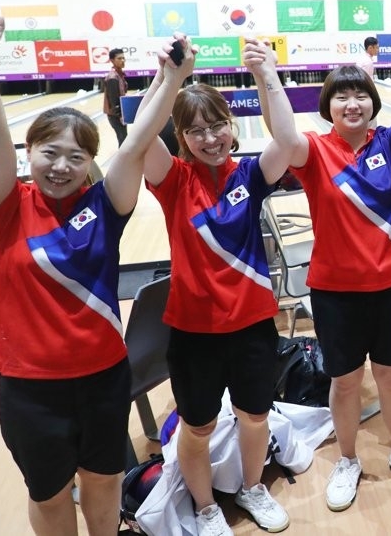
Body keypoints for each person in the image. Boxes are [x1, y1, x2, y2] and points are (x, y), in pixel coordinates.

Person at [0, 0, 193, 536]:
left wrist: (173, 80)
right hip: (30, 388)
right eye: (49, 152)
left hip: (102, 378)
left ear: (92, 161)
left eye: (76, 155)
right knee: (48, 497)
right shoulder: (6, 208)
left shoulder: (105, 205)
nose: (61, 166)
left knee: (102, 484)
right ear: (31, 155)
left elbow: (137, 142)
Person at [278, 23, 391, 512]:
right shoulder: (312, 151)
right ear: (327, 104)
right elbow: (281, 131)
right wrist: (268, 74)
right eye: (341, 96)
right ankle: (348, 459)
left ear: (373, 102)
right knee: (345, 381)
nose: (352, 104)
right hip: (334, 292)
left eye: (361, 95)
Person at [140, 39, 301, 534]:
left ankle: (252, 488)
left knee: (254, 418)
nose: (210, 138)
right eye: (195, 131)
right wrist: (168, 78)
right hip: (192, 331)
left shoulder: (250, 175)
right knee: (198, 426)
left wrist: (265, 73)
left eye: (217, 126)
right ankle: (207, 506)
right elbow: (141, 139)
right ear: (182, 137)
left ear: (231, 126)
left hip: (252, 324)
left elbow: (291, 142)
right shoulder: (173, 181)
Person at [104, 47, 129, 145]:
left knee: (124, 139)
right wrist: (121, 116)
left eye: (123, 58)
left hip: (119, 114)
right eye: (119, 58)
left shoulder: (119, 75)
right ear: (112, 60)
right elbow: (114, 101)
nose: (122, 60)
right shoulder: (112, 78)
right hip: (115, 115)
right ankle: (124, 160)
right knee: (123, 141)